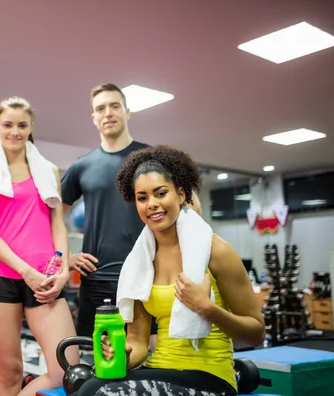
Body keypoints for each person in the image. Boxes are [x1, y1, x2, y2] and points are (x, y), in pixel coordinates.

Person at [78, 145, 265, 396]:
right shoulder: (139, 261)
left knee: (97, 393)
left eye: (160, 193)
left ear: (180, 194)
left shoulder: (216, 251)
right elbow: (139, 344)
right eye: (142, 198)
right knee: (89, 385)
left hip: (210, 376)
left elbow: (256, 334)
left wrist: (207, 309)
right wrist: (122, 354)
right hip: (159, 367)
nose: (152, 204)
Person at [0, 96, 79, 396]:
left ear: (31, 126)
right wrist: (24, 271)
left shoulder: (48, 170)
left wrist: (62, 267)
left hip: (45, 277)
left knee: (67, 372)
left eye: (22, 125)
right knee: (10, 373)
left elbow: (58, 224)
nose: (14, 132)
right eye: (7, 125)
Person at [61, 83, 152, 338]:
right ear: (93, 117)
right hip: (97, 279)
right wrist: (66, 256)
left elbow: (186, 205)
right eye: (100, 108)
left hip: (146, 275)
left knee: (150, 359)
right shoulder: (82, 165)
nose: (108, 113)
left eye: (114, 106)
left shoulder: (149, 158)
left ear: (127, 112)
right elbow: (51, 214)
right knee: (102, 361)